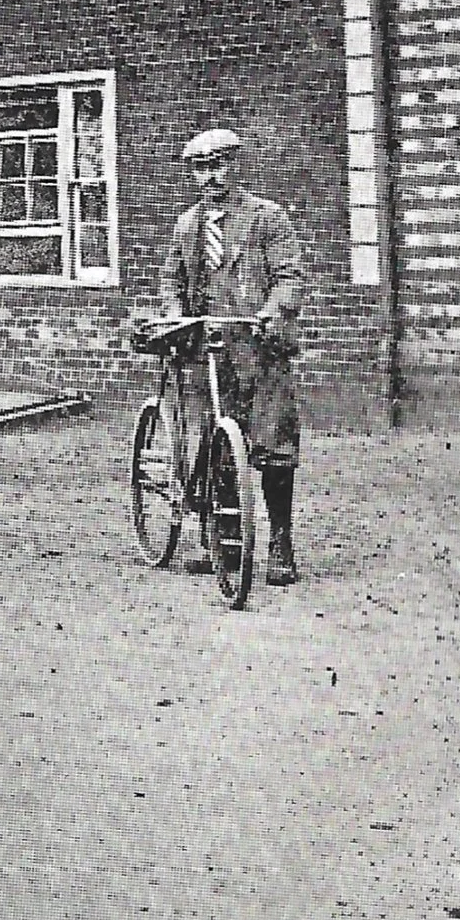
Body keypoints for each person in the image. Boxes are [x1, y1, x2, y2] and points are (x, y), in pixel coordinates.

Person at [159, 127, 306, 586]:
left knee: (274, 446)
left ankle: (280, 543)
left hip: (259, 350)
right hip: (207, 352)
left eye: (219, 165)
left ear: (236, 166)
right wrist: (175, 314)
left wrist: (270, 311)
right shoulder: (187, 227)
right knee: (206, 441)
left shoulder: (268, 219)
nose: (210, 177)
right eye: (201, 169)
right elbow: (171, 284)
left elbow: (289, 278)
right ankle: (220, 537)